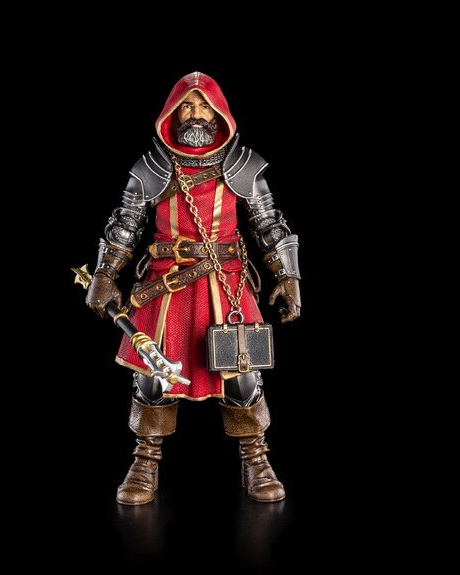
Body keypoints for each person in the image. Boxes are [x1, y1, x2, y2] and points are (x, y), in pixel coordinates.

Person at [86, 72, 301, 505]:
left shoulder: (243, 165)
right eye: (188, 105)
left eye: (204, 106)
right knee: (152, 374)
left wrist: (289, 277)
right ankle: (145, 460)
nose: (196, 114)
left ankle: (256, 457)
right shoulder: (152, 167)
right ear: (173, 112)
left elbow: (269, 225)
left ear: (219, 113)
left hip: (226, 282)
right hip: (166, 285)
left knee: (242, 373)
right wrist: (104, 275)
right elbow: (125, 225)